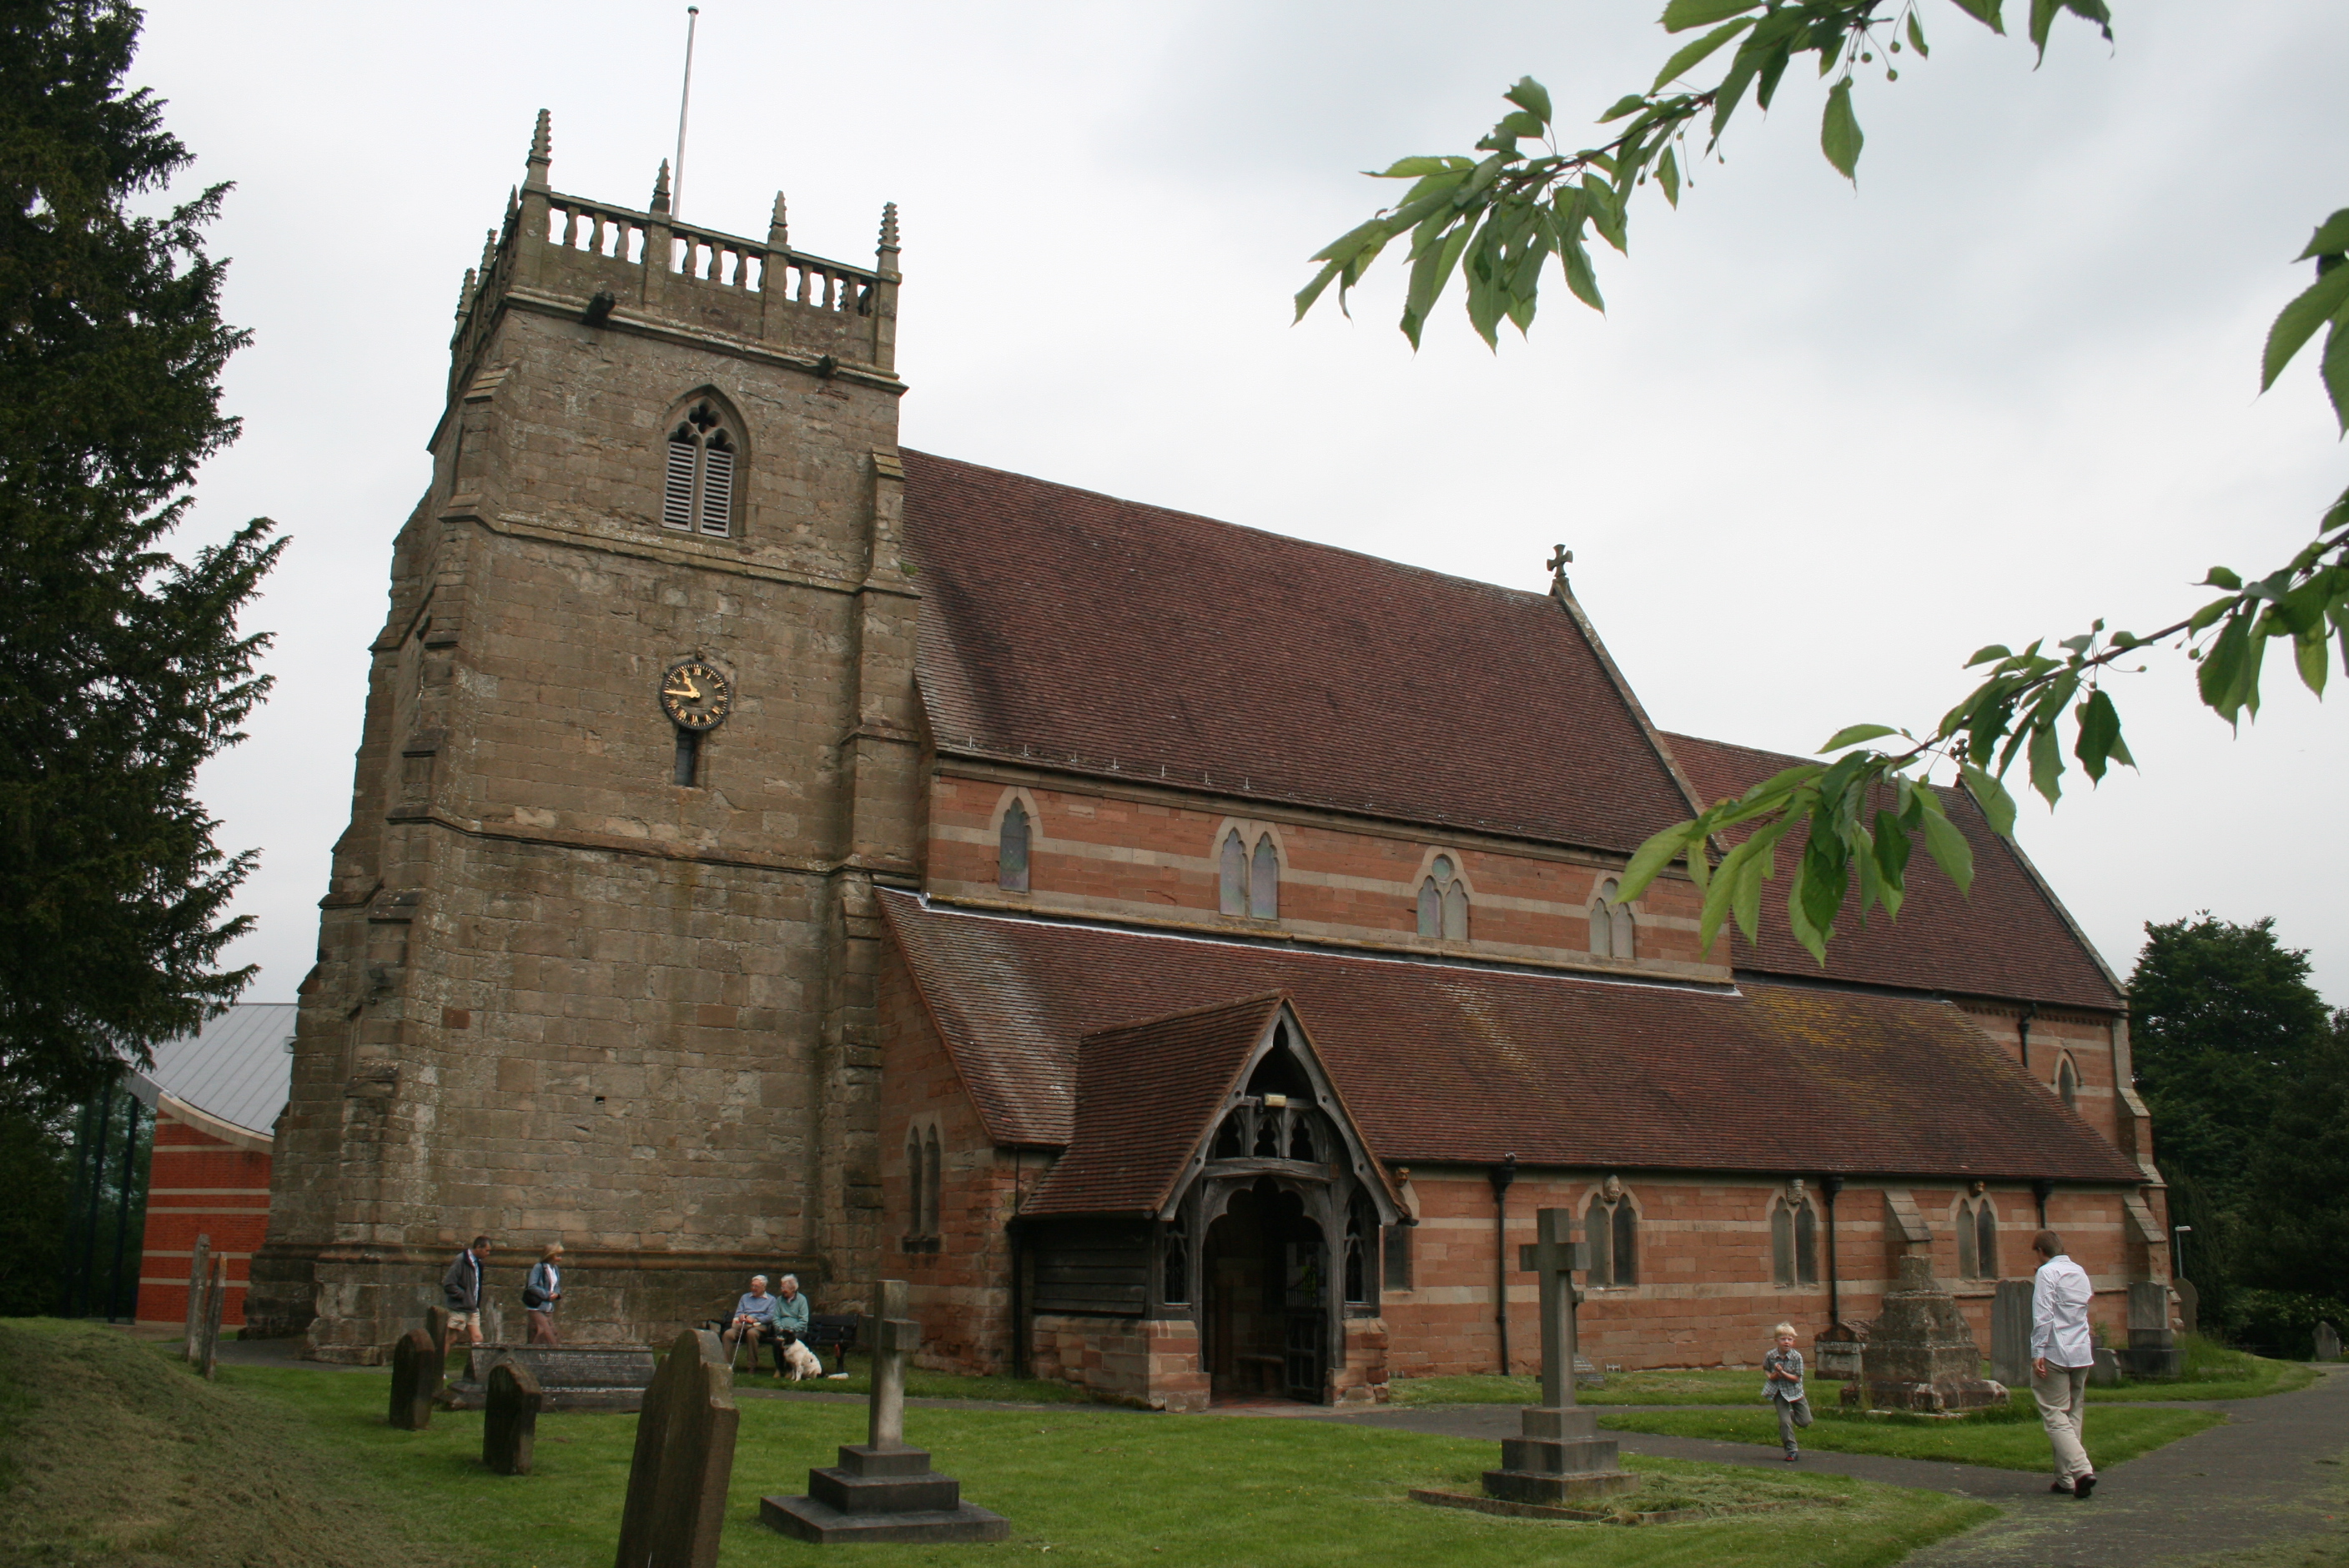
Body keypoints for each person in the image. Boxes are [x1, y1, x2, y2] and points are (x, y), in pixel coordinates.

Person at [2030, 1229, 2099, 1499]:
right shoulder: (2079, 1271)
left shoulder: (2046, 1273)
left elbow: (2043, 1314)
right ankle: (2065, 1479)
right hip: (2081, 1351)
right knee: (2073, 1414)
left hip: (2055, 1351)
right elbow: (2082, 1309)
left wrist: (2038, 1352)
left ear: (2040, 1252)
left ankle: (2082, 1471)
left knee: (2054, 1414)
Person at [1762, 1321, 1812, 1460]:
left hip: (1795, 1392)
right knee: (1785, 1423)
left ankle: (1791, 1414)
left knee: (1805, 1421)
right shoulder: (1770, 1355)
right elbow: (1766, 1368)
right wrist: (1772, 1375)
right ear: (1776, 1340)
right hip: (1779, 1392)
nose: (1786, 1342)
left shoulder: (1797, 1357)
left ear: (1794, 1342)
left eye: (1789, 1339)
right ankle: (1792, 1451)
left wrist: (1782, 1372)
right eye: (1783, 1339)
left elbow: (1796, 1378)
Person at [722, 1274, 782, 1370]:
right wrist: (741, 1316)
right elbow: (738, 1313)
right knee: (728, 1334)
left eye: (756, 1287)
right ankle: (726, 1365)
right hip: (744, 1324)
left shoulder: (771, 1300)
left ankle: (752, 1366)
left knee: (752, 1333)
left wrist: (755, 1319)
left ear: (764, 1287)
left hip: (759, 1325)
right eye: (752, 1286)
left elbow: (771, 1316)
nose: (753, 1288)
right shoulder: (744, 1297)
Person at [441, 1235, 492, 1346]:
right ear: (478, 1247)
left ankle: (474, 1363)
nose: (488, 1254)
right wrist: (464, 1296)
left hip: (472, 1308)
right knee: (451, 1338)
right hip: (459, 1308)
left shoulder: (478, 1264)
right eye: (487, 1250)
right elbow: (448, 1284)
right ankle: (438, 1363)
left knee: (478, 1338)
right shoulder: (461, 1260)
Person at [524, 1242, 564, 1345]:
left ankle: (531, 1356)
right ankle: (556, 1356)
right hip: (537, 1307)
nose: (560, 1259)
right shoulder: (539, 1267)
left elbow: (556, 1286)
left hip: (548, 1308)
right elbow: (532, 1285)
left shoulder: (555, 1269)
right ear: (550, 1255)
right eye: (558, 1256)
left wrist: (557, 1294)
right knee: (548, 1334)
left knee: (545, 1334)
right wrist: (547, 1295)